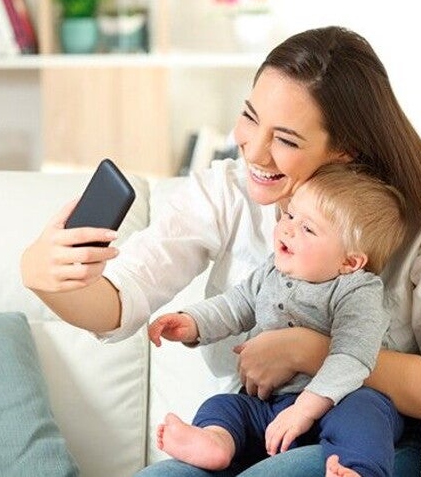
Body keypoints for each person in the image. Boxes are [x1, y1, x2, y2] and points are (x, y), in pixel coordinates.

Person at [21, 26, 421, 477]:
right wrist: (45, 276)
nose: (253, 152)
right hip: (256, 427)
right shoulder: (227, 193)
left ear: (347, 152)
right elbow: (123, 300)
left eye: (286, 139)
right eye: (251, 117)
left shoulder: (413, 229)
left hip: (364, 442)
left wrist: (312, 350)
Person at [147, 164, 407, 477]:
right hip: (269, 406)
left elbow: (352, 357)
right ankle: (216, 441)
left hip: (334, 404)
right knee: (224, 405)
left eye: (308, 229)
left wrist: (304, 409)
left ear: (349, 262)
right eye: (289, 215)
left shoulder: (358, 290)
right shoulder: (272, 270)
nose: (288, 229)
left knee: (367, 410)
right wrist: (192, 322)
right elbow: (237, 304)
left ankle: (358, 469)